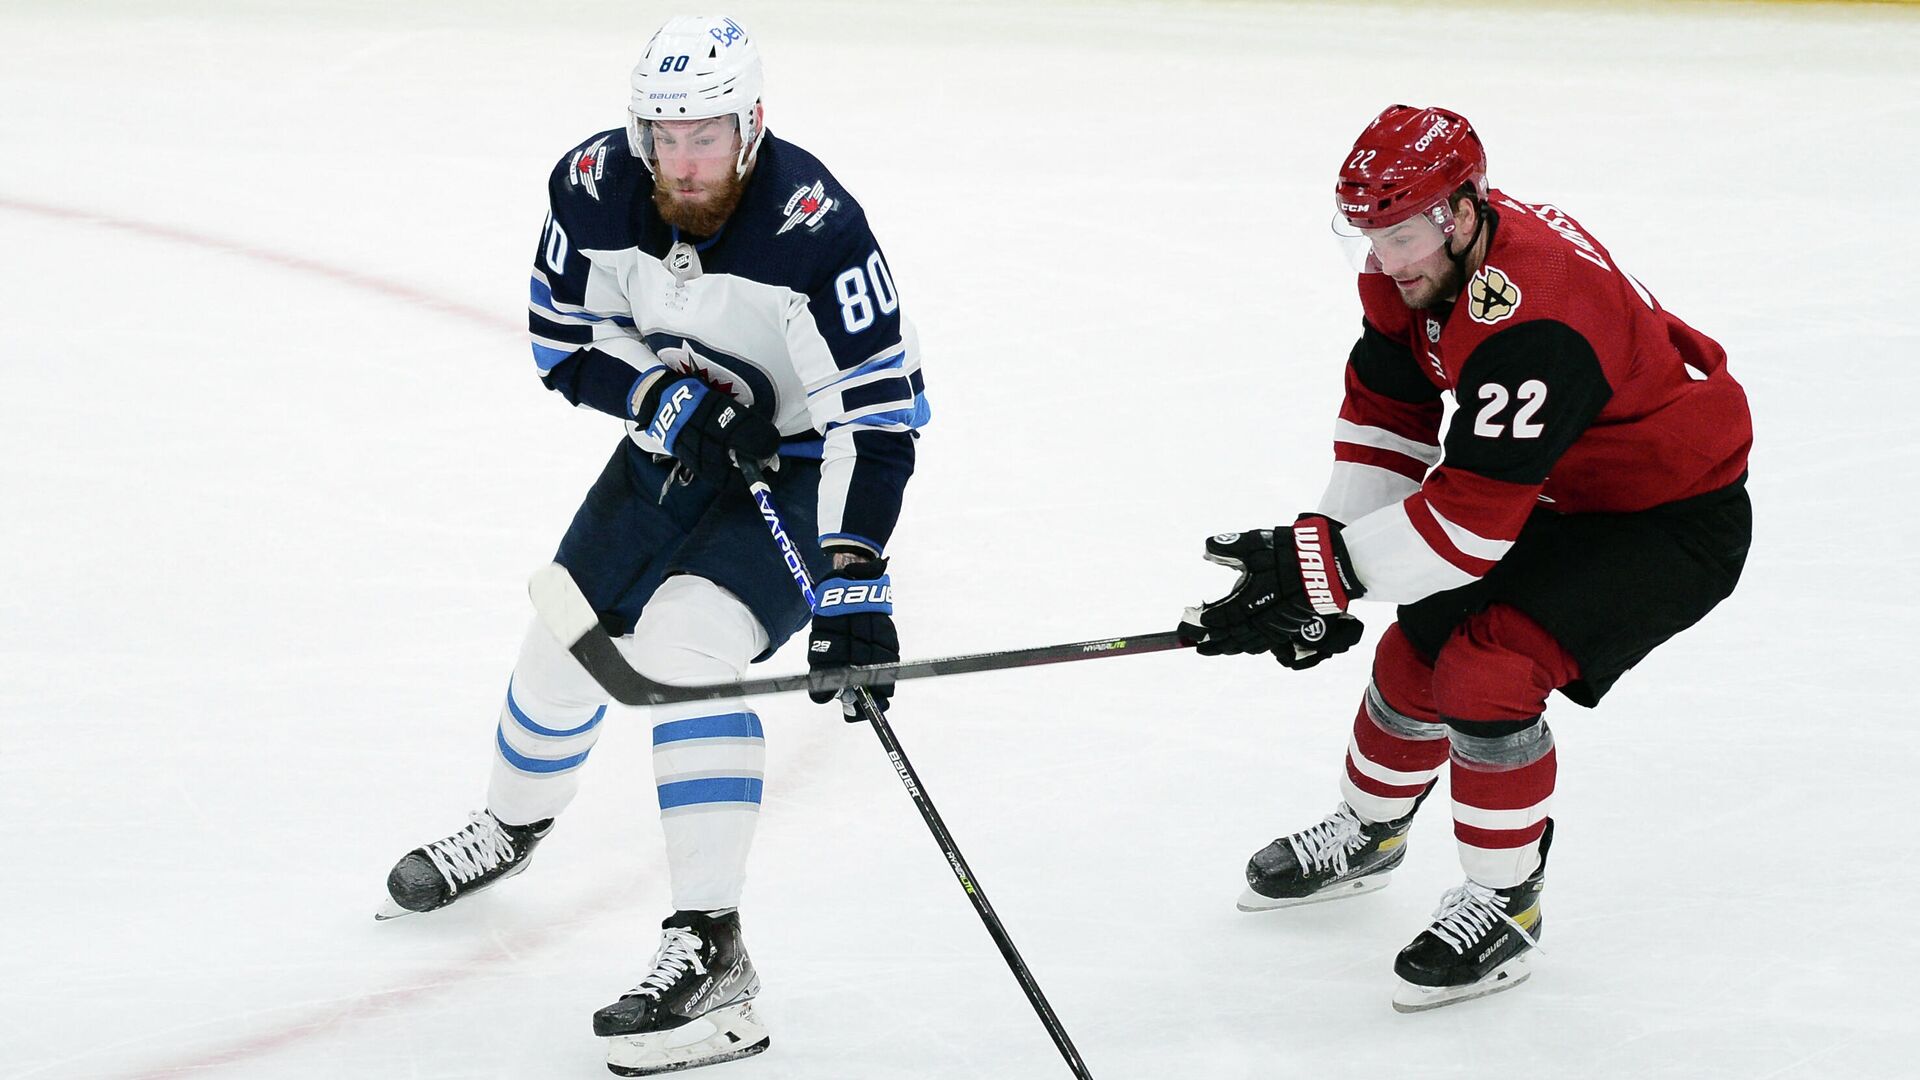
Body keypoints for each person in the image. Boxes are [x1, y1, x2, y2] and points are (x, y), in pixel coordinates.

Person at [377, 15, 926, 1074]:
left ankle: (715, 953)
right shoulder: (593, 186)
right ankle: (510, 825)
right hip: (674, 442)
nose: (682, 163)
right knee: (562, 636)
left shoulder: (817, 230)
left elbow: (878, 420)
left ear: (751, 126)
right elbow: (562, 337)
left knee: (684, 651)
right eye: (664, 138)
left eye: (705, 138)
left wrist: (853, 575)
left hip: (808, 471)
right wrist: (662, 396)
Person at [1179, 104, 1751, 1013]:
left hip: (1665, 521)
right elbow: (1386, 423)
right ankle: (1369, 837)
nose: (1386, 257)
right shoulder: (1422, 270)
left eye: (1403, 232)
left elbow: (1468, 529)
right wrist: (1322, 574)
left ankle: (1505, 902)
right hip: (1552, 489)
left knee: (1486, 673)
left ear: (1465, 207)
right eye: (1367, 234)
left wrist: (1324, 573)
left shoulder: (1541, 319)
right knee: (1416, 652)